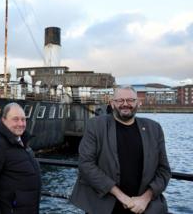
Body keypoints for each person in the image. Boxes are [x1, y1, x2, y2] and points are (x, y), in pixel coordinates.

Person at [70, 85, 171, 214]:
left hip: (143, 207)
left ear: (138, 103)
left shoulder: (154, 129)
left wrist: (145, 198)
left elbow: (164, 170)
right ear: (112, 104)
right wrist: (121, 196)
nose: (125, 104)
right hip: (104, 206)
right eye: (120, 100)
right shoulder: (96, 126)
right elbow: (85, 164)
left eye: (130, 100)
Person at [0, 102, 42, 214]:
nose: (21, 123)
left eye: (23, 119)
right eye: (15, 119)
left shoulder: (21, 141)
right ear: (4, 120)